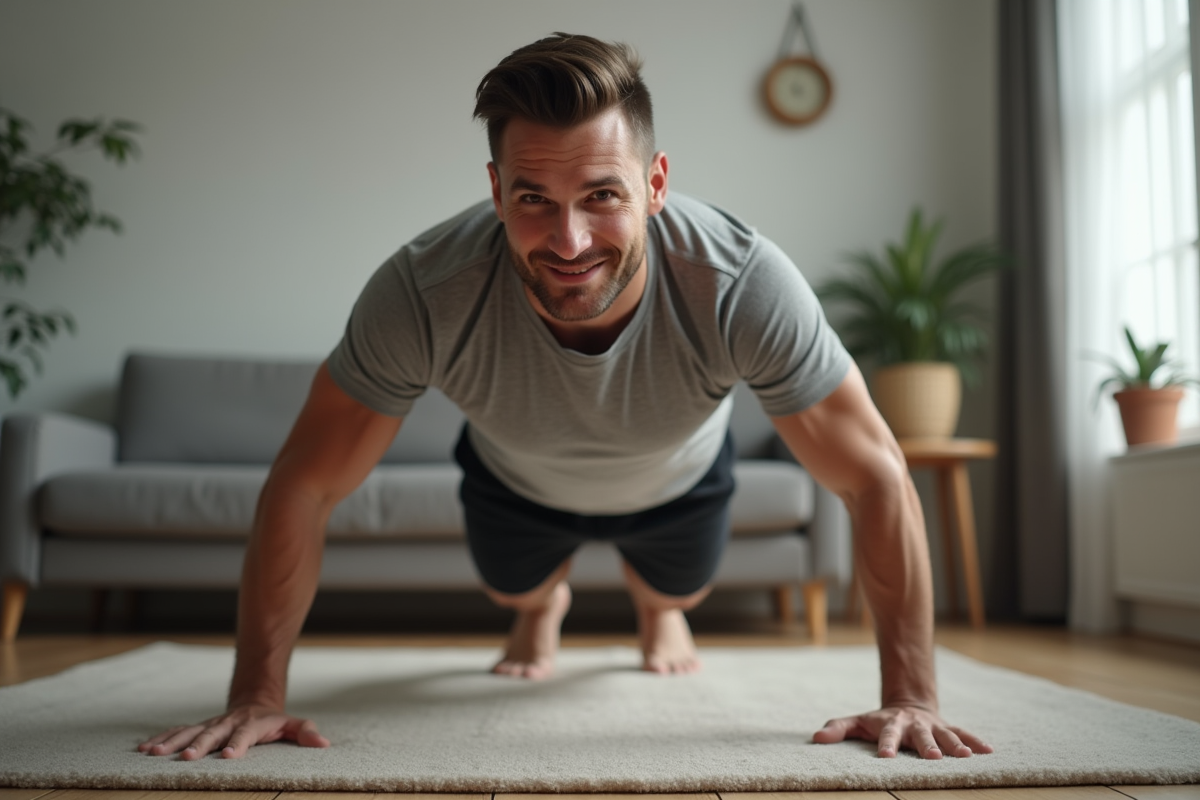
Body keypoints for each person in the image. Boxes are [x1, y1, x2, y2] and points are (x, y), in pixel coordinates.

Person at [139, 32, 992, 764]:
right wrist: (256, 693)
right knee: (517, 588)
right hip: (518, 484)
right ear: (496, 189)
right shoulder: (424, 290)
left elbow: (874, 475)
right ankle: (540, 607)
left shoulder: (740, 284)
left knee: (678, 592)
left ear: (655, 183)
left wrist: (911, 695)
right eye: (534, 200)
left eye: (603, 196)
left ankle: (660, 611)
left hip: (679, 480)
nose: (569, 239)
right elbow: (305, 482)